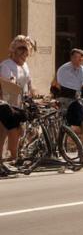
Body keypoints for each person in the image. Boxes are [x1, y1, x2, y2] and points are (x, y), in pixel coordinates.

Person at [0, 36, 34, 169]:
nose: (24, 55)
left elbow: (29, 81)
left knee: (19, 131)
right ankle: (12, 159)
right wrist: (13, 83)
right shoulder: (6, 65)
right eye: (21, 51)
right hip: (6, 103)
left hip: (19, 103)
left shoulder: (25, 65)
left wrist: (32, 89)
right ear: (13, 52)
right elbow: (7, 83)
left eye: (26, 52)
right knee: (6, 132)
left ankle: (12, 157)